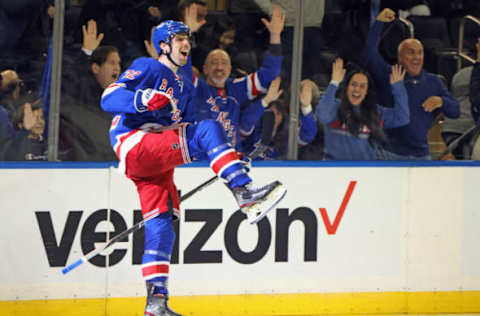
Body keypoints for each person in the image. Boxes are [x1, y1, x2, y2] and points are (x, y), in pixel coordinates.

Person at [100, 18, 286, 316]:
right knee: (207, 129)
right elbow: (108, 97)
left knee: (161, 223)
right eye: (178, 39)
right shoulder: (148, 66)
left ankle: (156, 303)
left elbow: (188, 135)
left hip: (155, 155)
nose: (186, 44)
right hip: (135, 142)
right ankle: (243, 192)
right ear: (163, 45)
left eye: (187, 39)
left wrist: (230, 157)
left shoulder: (184, 85)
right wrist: (143, 97)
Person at [364, 8, 460, 160]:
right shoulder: (389, 74)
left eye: (420, 52)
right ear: (400, 57)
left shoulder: (433, 82)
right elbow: (370, 52)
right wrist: (379, 23)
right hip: (388, 154)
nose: (417, 57)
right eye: (411, 52)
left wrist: (441, 101)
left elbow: (455, 110)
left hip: (421, 156)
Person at [189, 5, 285, 154]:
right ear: (205, 69)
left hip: (230, 159)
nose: (220, 67)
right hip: (199, 161)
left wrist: (275, 36)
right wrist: (189, 33)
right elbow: (179, 69)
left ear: (230, 68)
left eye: (224, 63)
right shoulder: (197, 87)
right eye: (214, 62)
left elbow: (269, 73)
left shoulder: (237, 88)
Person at [315, 58, 409, 160]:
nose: (357, 89)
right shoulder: (334, 107)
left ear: (366, 92)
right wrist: (334, 83)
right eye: (353, 84)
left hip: (365, 172)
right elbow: (322, 116)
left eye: (362, 86)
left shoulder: (375, 111)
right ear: (347, 87)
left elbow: (402, 117)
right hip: (334, 170)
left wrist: (398, 88)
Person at [241, 78, 318, 159]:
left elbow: (308, 135)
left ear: (282, 117)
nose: (274, 117)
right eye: (271, 113)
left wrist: (306, 107)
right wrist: (266, 100)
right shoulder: (253, 131)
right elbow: (246, 122)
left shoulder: (287, 137)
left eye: (278, 113)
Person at [0, 69, 35, 160]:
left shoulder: (11, 109)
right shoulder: (4, 114)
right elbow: (7, 155)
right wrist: (25, 130)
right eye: (17, 85)